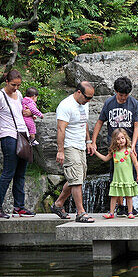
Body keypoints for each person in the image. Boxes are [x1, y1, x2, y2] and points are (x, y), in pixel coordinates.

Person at [0, 69, 34, 219]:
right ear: (7, 81)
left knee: (21, 173)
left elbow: (20, 113)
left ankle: (19, 207)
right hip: (8, 137)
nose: (16, 88)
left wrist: (29, 113)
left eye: (19, 85)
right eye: (13, 84)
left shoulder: (19, 95)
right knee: (8, 172)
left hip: (23, 136)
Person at [51, 81, 95, 223]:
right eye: (87, 97)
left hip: (81, 145)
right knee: (76, 181)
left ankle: (58, 204)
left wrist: (88, 141)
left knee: (77, 178)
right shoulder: (65, 106)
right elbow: (60, 129)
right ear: (78, 92)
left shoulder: (84, 104)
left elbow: (85, 123)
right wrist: (61, 150)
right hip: (70, 146)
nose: (88, 101)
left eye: (91, 98)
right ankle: (80, 213)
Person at [92, 128, 138, 219]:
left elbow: (135, 164)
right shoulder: (114, 152)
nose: (121, 140)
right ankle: (111, 213)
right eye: (118, 139)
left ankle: (130, 212)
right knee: (114, 196)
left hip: (128, 178)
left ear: (126, 138)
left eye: (123, 138)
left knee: (128, 196)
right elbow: (105, 159)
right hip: (117, 178)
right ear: (115, 141)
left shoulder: (129, 151)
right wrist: (95, 152)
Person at [91, 76, 138, 156]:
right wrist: (93, 142)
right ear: (116, 91)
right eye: (121, 95)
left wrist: (133, 145)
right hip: (113, 142)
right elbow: (100, 122)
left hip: (129, 140)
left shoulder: (134, 103)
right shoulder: (109, 103)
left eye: (126, 95)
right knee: (114, 166)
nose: (123, 98)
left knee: (132, 166)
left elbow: (137, 126)